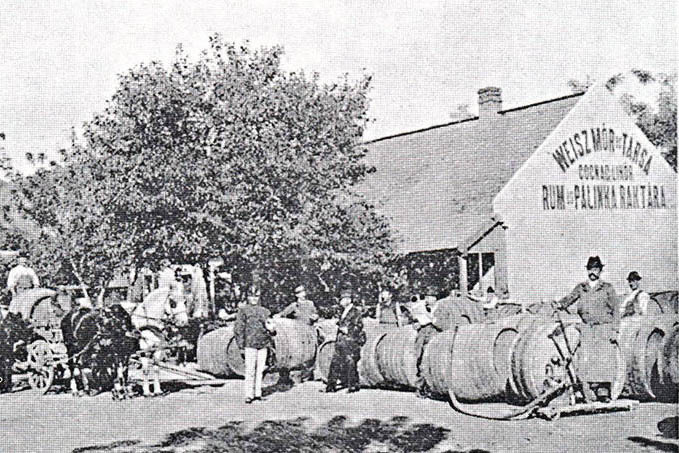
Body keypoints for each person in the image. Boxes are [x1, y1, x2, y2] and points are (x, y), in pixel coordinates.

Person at [234, 285, 275, 404]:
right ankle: (249, 394)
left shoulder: (265, 311)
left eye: (256, 296)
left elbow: (271, 328)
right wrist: (241, 346)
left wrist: (272, 329)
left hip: (263, 343)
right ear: (247, 297)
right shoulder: (243, 311)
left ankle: (258, 393)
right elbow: (239, 329)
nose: (254, 299)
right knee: (250, 370)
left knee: (260, 370)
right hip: (249, 344)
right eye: (251, 296)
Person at [324, 286, 365, 393]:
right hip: (340, 340)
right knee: (335, 362)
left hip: (350, 340)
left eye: (342, 299)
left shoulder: (355, 311)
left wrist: (348, 330)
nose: (340, 302)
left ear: (348, 300)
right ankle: (330, 386)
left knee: (350, 362)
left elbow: (359, 326)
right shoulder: (343, 311)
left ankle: (353, 386)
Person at [556, 256, 619, 325]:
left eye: (595, 270)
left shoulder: (607, 287)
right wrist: (560, 304)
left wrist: (615, 328)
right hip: (586, 326)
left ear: (600, 271)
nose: (592, 272)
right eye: (590, 269)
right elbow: (570, 298)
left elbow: (615, 308)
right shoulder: (581, 287)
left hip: (604, 326)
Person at [410, 287, 441, 398]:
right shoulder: (421, 306)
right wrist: (416, 323)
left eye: (430, 297)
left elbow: (441, 322)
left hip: (434, 331)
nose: (427, 299)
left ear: (435, 298)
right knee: (420, 357)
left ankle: (430, 387)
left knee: (429, 358)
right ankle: (421, 387)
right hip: (423, 331)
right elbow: (414, 321)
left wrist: (432, 320)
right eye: (427, 297)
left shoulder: (440, 308)